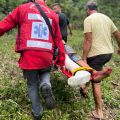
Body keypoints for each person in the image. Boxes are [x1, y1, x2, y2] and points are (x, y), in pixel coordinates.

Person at [0, 0, 65, 120]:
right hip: (46, 55)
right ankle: (46, 84)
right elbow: (59, 40)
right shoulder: (52, 13)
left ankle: (37, 113)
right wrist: (61, 60)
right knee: (45, 72)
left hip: (29, 56)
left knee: (32, 84)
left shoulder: (22, 9)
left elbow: (4, 25)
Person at [82, 0, 120, 119]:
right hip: (108, 53)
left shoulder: (88, 19)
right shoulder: (106, 18)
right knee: (92, 70)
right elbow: (117, 34)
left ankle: (99, 112)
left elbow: (88, 40)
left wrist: (84, 58)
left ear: (88, 10)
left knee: (96, 81)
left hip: (95, 54)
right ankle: (84, 87)